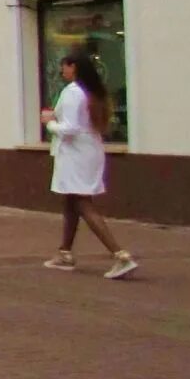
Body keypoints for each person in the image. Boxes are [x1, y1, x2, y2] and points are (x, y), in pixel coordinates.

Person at [43, 53, 139, 279]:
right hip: (89, 150)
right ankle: (64, 252)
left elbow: (70, 128)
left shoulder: (72, 93)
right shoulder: (92, 92)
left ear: (73, 67)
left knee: (82, 202)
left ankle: (120, 254)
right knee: (71, 200)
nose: (62, 71)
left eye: (64, 67)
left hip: (75, 152)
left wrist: (50, 124)